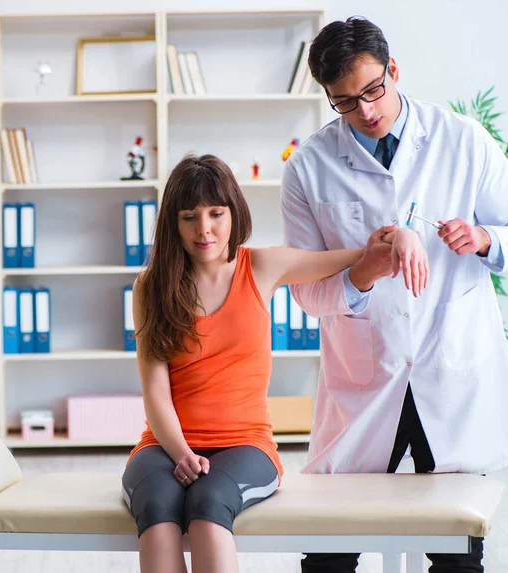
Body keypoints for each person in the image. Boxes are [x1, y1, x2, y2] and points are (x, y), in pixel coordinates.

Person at [280, 16, 508, 573]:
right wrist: (362, 273)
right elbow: (306, 291)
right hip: (364, 379)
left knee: (454, 553)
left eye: (373, 91)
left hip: (447, 370)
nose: (366, 112)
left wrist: (484, 238)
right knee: (328, 554)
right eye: (345, 103)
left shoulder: (461, 140)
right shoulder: (307, 168)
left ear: (393, 70)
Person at [121, 153, 428, 573]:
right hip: (165, 444)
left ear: (234, 213)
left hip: (245, 445)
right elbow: (155, 391)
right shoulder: (150, 286)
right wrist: (182, 454)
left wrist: (402, 238)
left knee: (208, 506)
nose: (204, 229)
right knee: (157, 508)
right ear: (173, 223)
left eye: (215, 213)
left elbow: (349, 257)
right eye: (189, 216)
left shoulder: (260, 267)